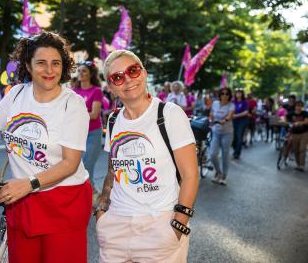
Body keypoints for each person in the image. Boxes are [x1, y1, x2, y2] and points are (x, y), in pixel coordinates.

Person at [0, 31, 92, 263]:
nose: (49, 70)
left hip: (63, 200)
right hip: (22, 198)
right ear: (28, 64)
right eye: (41, 63)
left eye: (56, 63)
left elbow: (70, 163)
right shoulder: (16, 94)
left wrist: (30, 183)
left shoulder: (72, 104)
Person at [96, 50, 198, 262]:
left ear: (143, 73)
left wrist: (178, 226)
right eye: (117, 77)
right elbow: (111, 171)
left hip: (159, 225)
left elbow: (190, 175)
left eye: (132, 70)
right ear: (111, 87)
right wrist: (101, 212)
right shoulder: (114, 120)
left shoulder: (169, 114)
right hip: (116, 226)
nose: (127, 79)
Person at [72, 61, 103, 205]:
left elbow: (94, 114)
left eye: (84, 71)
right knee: (76, 167)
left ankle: (94, 195)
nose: (81, 73)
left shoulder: (96, 90)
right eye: (79, 71)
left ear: (91, 74)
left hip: (93, 134)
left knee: (86, 166)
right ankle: (91, 194)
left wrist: (75, 113)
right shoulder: (74, 90)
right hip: (77, 134)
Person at [209, 87, 235, 185]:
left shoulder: (231, 105)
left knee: (225, 154)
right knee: (212, 154)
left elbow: (230, 115)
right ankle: (218, 172)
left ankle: (224, 176)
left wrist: (225, 120)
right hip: (216, 131)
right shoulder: (215, 103)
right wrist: (210, 118)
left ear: (229, 96)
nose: (224, 95)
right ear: (220, 95)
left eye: (227, 94)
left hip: (227, 133)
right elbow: (211, 113)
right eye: (222, 93)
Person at [286, 100, 308, 172]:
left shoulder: (305, 113)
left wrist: (299, 122)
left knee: (302, 149)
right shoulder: (291, 113)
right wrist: (287, 122)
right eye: (297, 106)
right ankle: (298, 164)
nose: (298, 107)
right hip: (294, 134)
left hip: (304, 133)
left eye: (300, 106)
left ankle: (302, 165)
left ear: (302, 107)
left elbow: (306, 121)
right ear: (295, 106)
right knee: (296, 150)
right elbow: (285, 118)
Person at [232, 89, 249, 159]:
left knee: (239, 136)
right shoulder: (233, 102)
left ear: (242, 94)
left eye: (240, 93)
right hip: (234, 121)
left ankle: (237, 153)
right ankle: (235, 148)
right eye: (237, 93)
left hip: (242, 121)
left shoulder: (244, 102)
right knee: (233, 137)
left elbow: (246, 112)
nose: (238, 94)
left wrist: (236, 115)